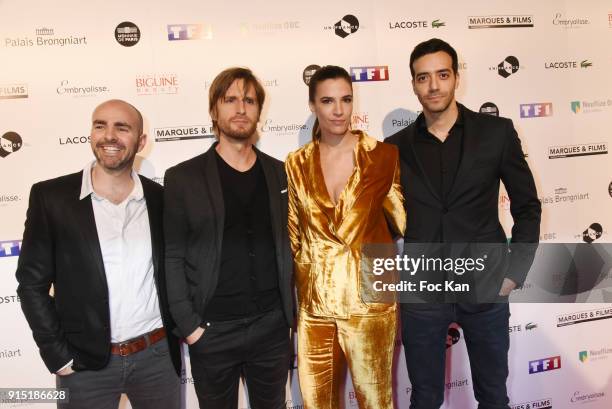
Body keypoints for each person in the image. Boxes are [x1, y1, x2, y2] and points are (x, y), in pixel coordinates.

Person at [385, 38, 541, 409]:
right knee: (423, 398)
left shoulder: (496, 133)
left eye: (442, 74)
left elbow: (528, 207)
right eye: (423, 78)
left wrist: (513, 274)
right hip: (422, 294)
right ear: (413, 84)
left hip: (486, 288)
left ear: (456, 77)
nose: (433, 85)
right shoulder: (392, 148)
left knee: (492, 396)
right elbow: (384, 219)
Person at [16, 99, 182, 409]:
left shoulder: (161, 199)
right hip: (83, 365)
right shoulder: (51, 198)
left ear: (141, 141)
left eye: (122, 128)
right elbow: (30, 284)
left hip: (156, 358)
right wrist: (57, 354)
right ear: (91, 134)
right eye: (100, 125)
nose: (109, 136)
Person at [163, 67, 294, 409]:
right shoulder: (182, 178)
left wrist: (288, 318)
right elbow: (172, 257)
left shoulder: (282, 173)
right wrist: (190, 327)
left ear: (258, 111)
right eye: (231, 99)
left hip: (272, 329)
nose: (241, 108)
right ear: (214, 111)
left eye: (249, 100)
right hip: (212, 331)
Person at [285, 65, 405, 409]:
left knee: (376, 401)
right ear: (313, 106)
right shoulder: (296, 163)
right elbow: (294, 234)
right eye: (327, 100)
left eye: (346, 99)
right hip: (316, 305)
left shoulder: (383, 156)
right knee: (317, 402)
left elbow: (402, 221)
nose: (339, 110)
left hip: (370, 300)